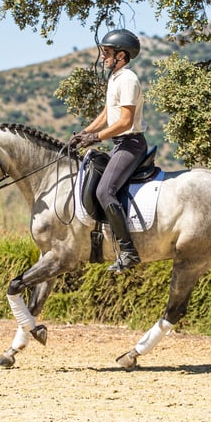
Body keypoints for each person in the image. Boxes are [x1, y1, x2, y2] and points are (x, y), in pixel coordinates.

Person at [70, 29, 148, 272]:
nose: (103, 56)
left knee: (105, 190)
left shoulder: (127, 80)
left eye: (107, 52)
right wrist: (83, 134)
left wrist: (96, 137)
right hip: (119, 144)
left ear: (121, 55)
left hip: (130, 144)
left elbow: (125, 122)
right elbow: (106, 114)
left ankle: (128, 251)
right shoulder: (115, 78)